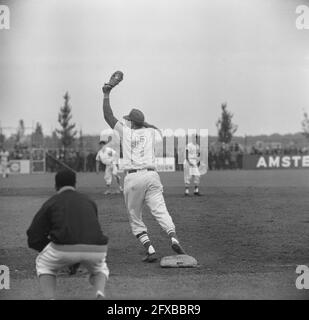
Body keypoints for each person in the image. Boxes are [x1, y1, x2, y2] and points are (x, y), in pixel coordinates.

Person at [101, 80, 186, 263]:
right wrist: (141, 122)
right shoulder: (152, 132)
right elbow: (150, 126)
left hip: (133, 178)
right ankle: (173, 236)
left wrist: (107, 94)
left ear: (131, 122)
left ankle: (150, 248)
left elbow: (108, 116)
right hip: (152, 175)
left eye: (129, 120)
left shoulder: (125, 131)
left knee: (135, 216)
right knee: (161, 210)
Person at [26, 170, 109, 300]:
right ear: (75, 184)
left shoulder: (51, 202)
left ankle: (50, 298)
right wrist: (75, 260)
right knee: (100, 268)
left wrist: (48, 246)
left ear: (56, 186)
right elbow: (91, 230)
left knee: (44, 265)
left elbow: (33, 236)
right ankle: (100, 293)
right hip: (97, 248)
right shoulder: (89, 201)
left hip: (64, 248)